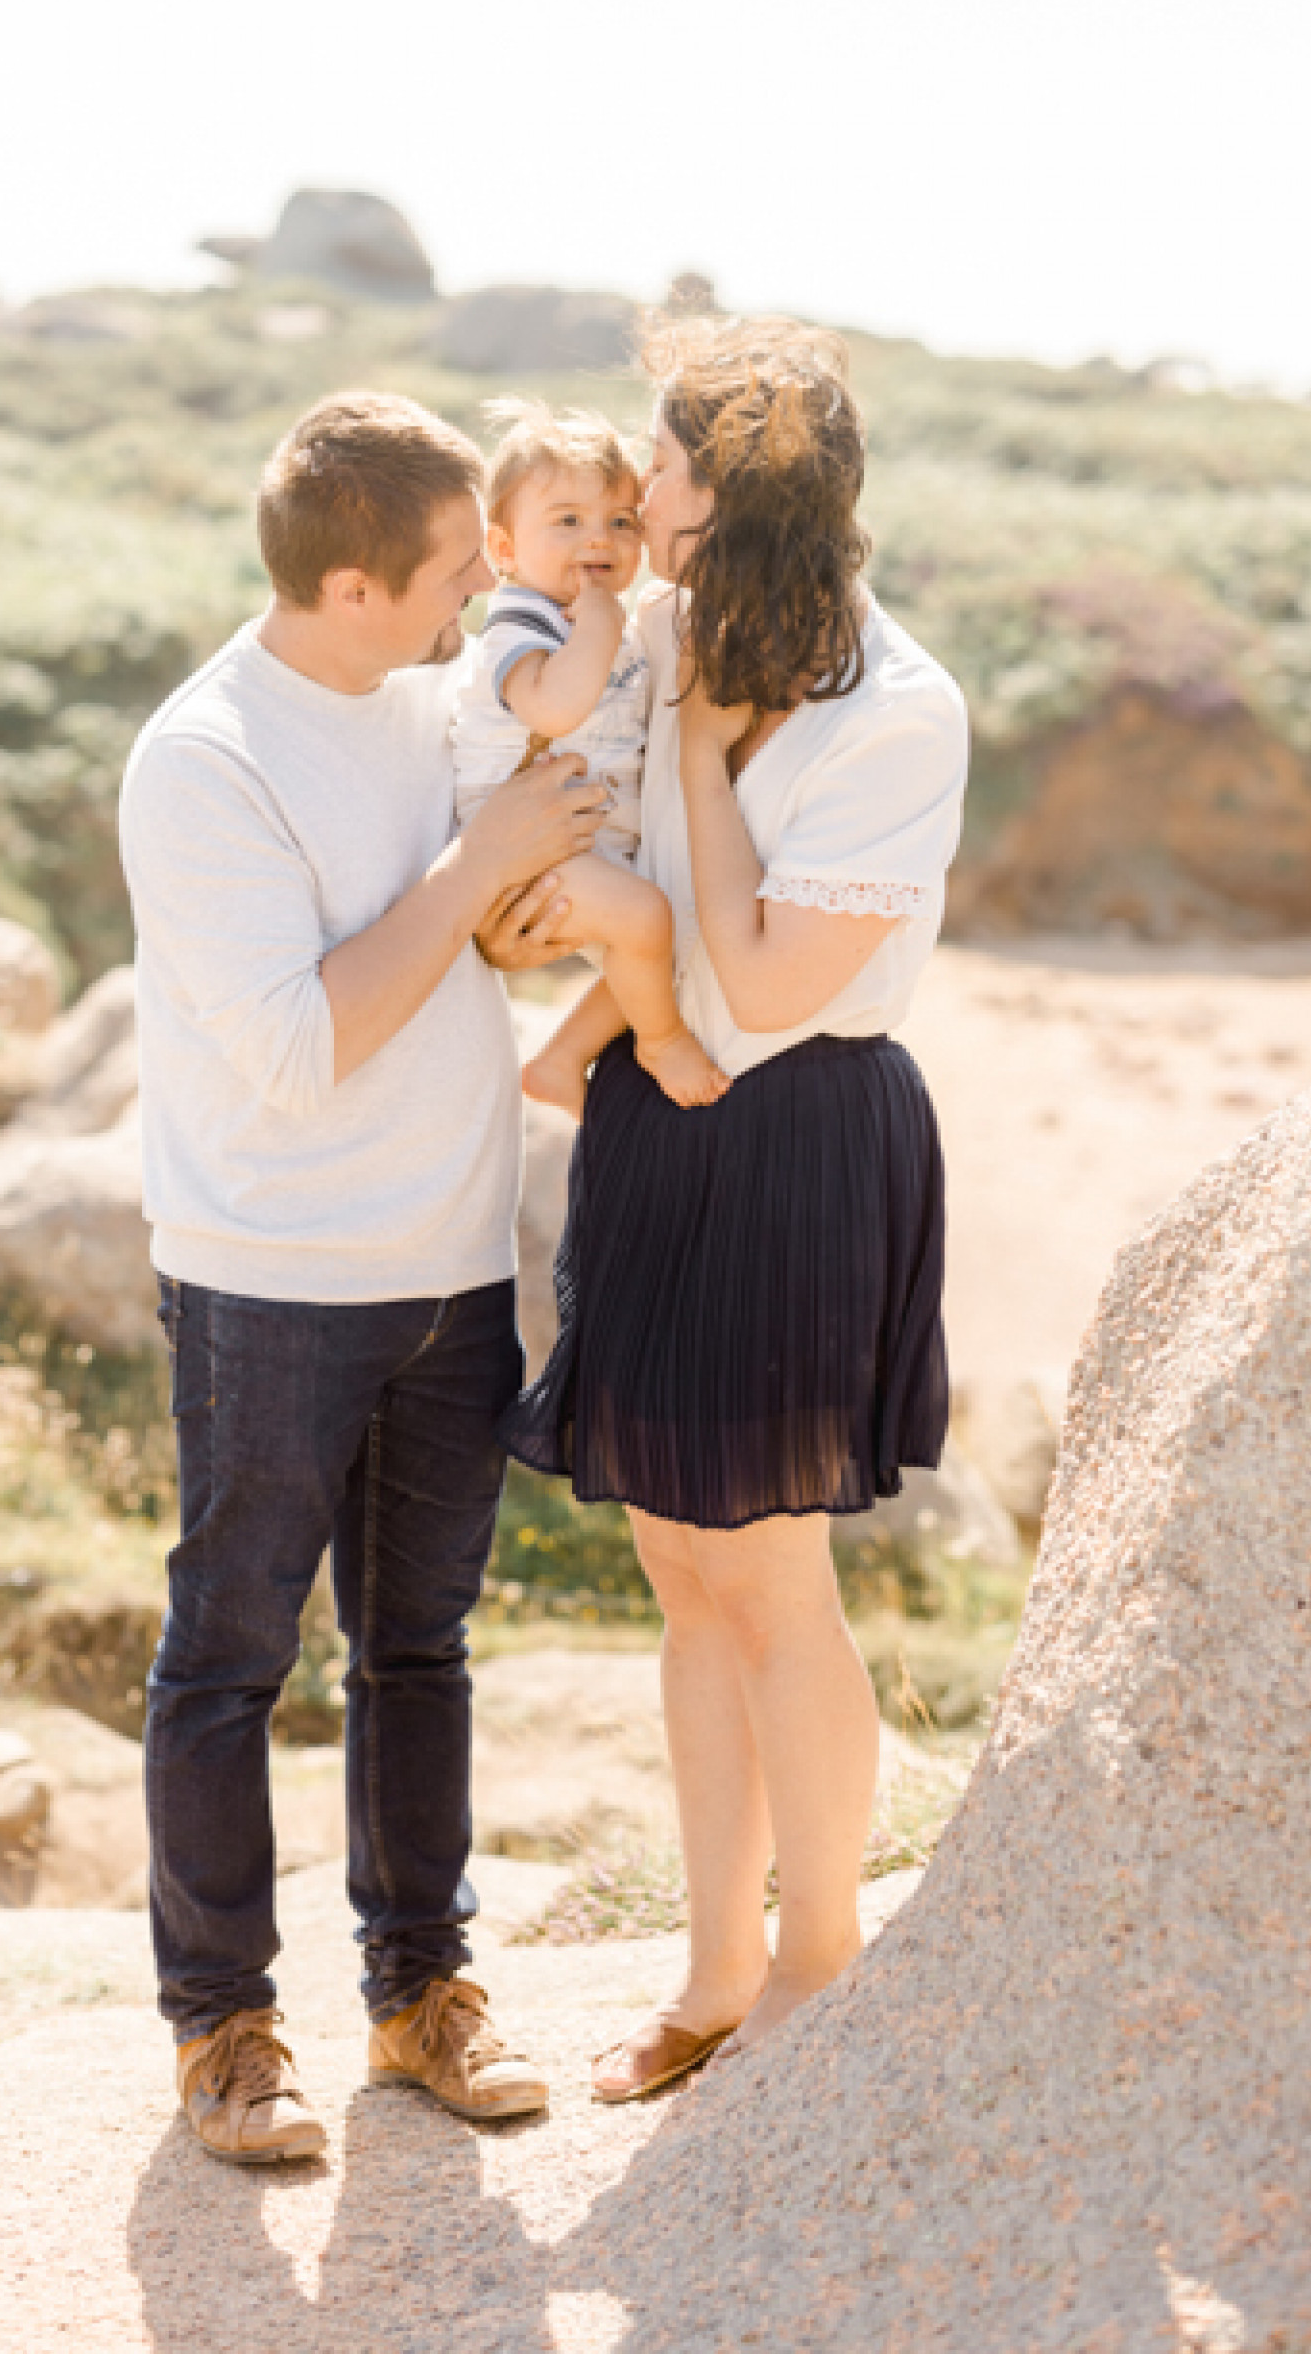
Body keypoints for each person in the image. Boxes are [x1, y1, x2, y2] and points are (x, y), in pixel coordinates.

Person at [119, 389, 609, 2166]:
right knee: (232, 1656)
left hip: (452, 1265)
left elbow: (510, 901)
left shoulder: (436, 705)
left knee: (421, 1649)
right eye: (451, 572)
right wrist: (482, 869)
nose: (483, 594)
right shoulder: (206, 760)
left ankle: (420, 1997)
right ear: (345, 583)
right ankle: (228, 2035)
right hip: (268, 1283)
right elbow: (298, 1042)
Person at [503, 313, 970, 2103]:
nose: (638, 488)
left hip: (795, 1132)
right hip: (655, 1107)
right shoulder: (678, 639)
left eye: (668, 465)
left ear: (741, 498)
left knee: (772, 1577)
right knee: (681, 1570)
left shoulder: (896, 705)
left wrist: (696, 762)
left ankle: (818, 1955)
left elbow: (769, 984)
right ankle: (710, 1970)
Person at [450, 399, 727, 1110]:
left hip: (586, 836)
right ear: (505, 550)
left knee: (669, 938)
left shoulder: (613, 620)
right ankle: (660, 1043)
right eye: (567, 520)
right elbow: (553, 708)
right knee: (644, 922)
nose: (596, 539)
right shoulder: (523, 618)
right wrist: (601, 624)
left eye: (619, 521)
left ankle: (561, 1057)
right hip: (529, 845)